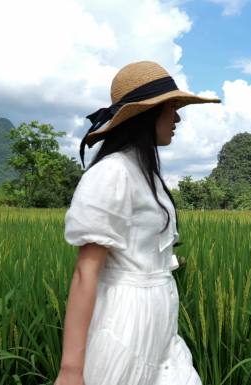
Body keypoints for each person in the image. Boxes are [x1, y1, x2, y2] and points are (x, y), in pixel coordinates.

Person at [54, 61, 220, 385]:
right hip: (126, 323)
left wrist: (163, 262)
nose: (179, 117)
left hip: (161, 322)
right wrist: (71, 370)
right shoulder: (112, 172)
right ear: (148, 114)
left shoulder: (148, 177)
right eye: (172, 108)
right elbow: (86, 271)